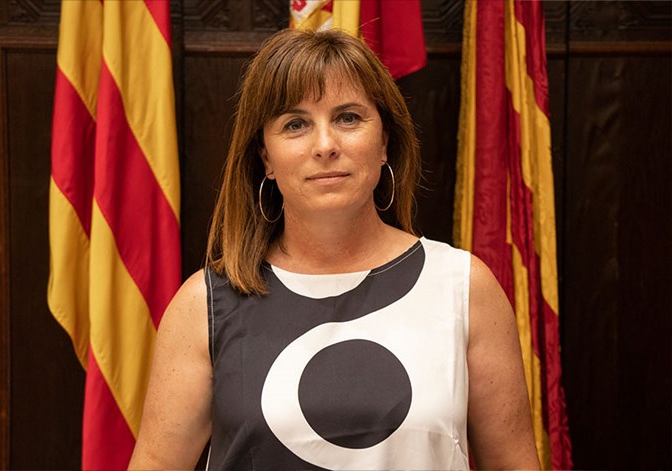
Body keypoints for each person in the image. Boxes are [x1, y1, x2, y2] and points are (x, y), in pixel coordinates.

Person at [129, 28, 540, 470]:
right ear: (266, 158)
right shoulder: (206, 304)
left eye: (348, 118)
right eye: (296, 124)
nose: (325, 146)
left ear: (384, 142)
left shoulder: (463, 287)